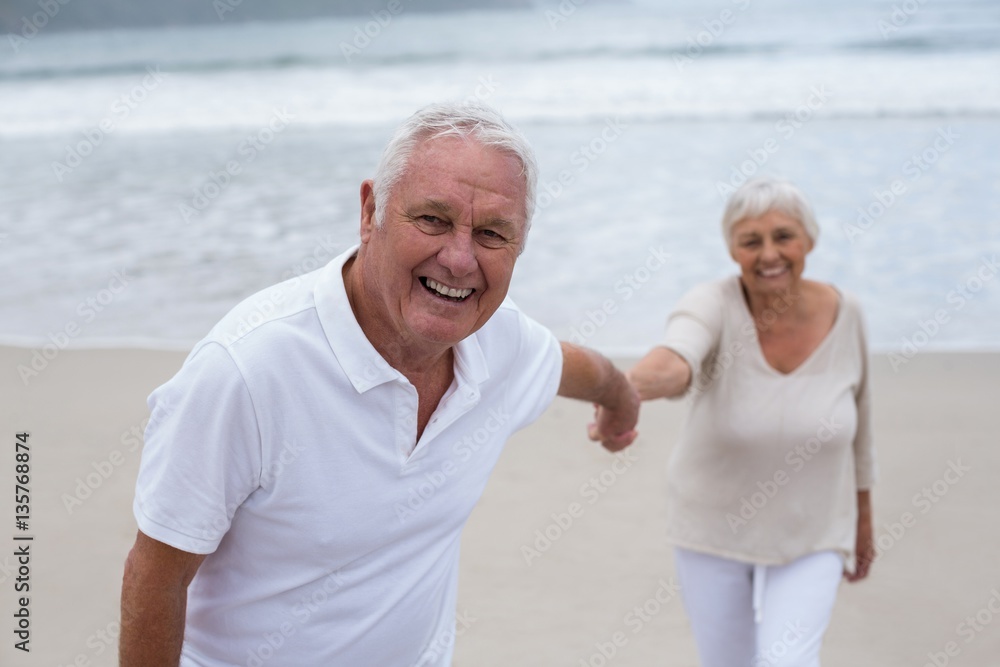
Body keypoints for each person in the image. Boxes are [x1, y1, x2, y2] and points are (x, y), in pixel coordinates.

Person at [119, 102, 639, 667]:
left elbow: (580, 369)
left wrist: (621, 402)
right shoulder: (246, 372)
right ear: (371, 212)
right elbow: (155, 578)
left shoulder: (501, 342)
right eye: (433, 220)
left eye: (492, 233)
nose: (460, 259)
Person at [628, 177, 876, 666]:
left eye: (783, 236)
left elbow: (862, 429)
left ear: (808, 240)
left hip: (815, 530)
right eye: (751, 241)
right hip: (713, 524)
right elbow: (678, 358)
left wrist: (863, 522)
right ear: (731, 249)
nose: (769, 255)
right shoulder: (712, 302)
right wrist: (623, 390)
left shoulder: (848, 314)